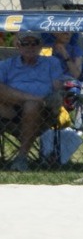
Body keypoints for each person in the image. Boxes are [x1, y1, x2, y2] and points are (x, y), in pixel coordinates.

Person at [0, 33, 63, 169]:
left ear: (41, 46)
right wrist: (38, 98)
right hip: (10, 109)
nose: (30, 47)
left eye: (34, 43)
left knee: (31, 105)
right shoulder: (6, 65)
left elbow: (57, 89)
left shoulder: (52, 63)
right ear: (18, 46)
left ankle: (21, 158)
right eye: (25, 43)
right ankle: (35, 98)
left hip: (42, 111)